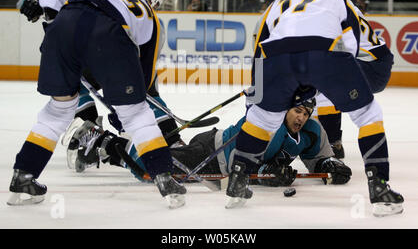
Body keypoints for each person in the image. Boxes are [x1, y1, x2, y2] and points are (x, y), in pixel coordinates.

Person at [225, 0, 403, 216]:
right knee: (368, 114)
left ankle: (237, 181)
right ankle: (380, 188)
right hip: (324, 54)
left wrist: (258, 100)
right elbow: (361, 38)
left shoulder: (276, 3)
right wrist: (349, 75)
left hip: (276, 59)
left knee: (261, 120)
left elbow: (258, 56)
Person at [8, 0, 186, 209]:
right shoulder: (150, 17)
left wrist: (51, 16)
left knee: (58, 110)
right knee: (136, 113)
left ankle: (24, 175)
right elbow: (142, 84)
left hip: (62, 28)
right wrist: (124, 108)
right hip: (108, 36)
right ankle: (164, 177)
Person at [59, 89, 352, 188]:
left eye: (306, 112)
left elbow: (319, 158)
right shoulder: (266, 124)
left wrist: (330, 165)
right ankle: (100, 141)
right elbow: (242, 161)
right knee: (157, 170)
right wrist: (264, 172)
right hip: (212, 154)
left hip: (211, 148)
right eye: (297, 111)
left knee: (167, 157)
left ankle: (150, 136)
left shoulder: (313, 130)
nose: (301, 118)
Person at [315, 3, 394, 159]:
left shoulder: (327, 9)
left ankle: (331, 142)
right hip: (375, 63)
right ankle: (331, 141)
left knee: (323, 76)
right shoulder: (335, 2)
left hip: (370, 66)